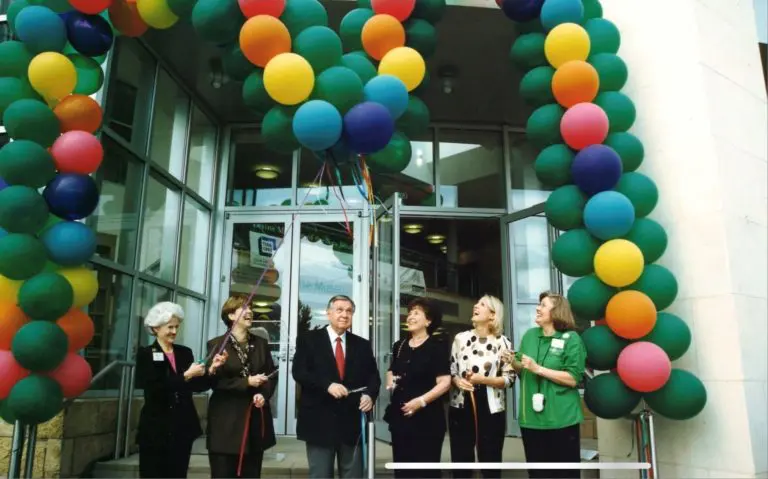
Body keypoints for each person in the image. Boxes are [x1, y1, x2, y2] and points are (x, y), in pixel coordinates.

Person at [292, 294, 381, 478]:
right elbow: (300, 372)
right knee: (320, 474)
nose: (344, 314)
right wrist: (327, 385)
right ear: (328, 313)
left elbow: (373, 377)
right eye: (339, 310)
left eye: (349, 311)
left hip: (352, 422)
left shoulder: (362, 345)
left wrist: (370, 395)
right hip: (319, 420)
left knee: (353, 475)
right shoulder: (309, 339)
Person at [136, 302, 224, 478]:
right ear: (155, 328)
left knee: (179, 473)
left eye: (177, 327)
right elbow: (155, 387)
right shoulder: (146, 354)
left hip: (182, 426)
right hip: (156, 428)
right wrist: (186, 375)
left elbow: (197, 386)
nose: (174, 331)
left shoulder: (184, 352)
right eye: (170, 327)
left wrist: (212, 370)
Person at [507, 291, 586, 479]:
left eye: (543, 305)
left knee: (564, 475)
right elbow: (521, 370)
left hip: (562, 419)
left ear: (556, 311)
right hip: (531, 420)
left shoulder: (572, 339)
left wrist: (538, 369)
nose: (537, 308)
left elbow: (573, 378)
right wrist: (512, 361)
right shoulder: (530, 336)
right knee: (537, 474)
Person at [206, 295, 277, 478]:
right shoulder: (217, 345)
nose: (250, 312)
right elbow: (214, 382)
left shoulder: (261, 343)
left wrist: (263, 394)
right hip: (226, 423)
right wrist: (246, 382)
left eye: (250, 307)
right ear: (230, 316)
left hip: (254, 420)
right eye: (244, 308)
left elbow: (270, 375)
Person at [448, 295, 515, 479]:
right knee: (461, 458)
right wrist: (457, 381)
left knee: (490, 458)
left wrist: (482, 380)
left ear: (493, 315)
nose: (475, 306)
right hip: (461, 402)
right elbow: (452, 370)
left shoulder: (503, 342)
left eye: (482, 305)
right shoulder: (460, 339)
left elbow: (509, 379)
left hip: (491, 405)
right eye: (476, 303)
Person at [385, 298, 451, 478]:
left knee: (425, 471)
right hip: (401, 418)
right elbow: (391, 371)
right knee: (402, 470)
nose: (410, 316)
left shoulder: (436, 347)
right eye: (410, 312)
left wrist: (421, 402)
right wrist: (391, 382)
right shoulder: (400, 346)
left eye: (416, 313)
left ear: (428, 321)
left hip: (427, 420)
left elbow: (445, 382)